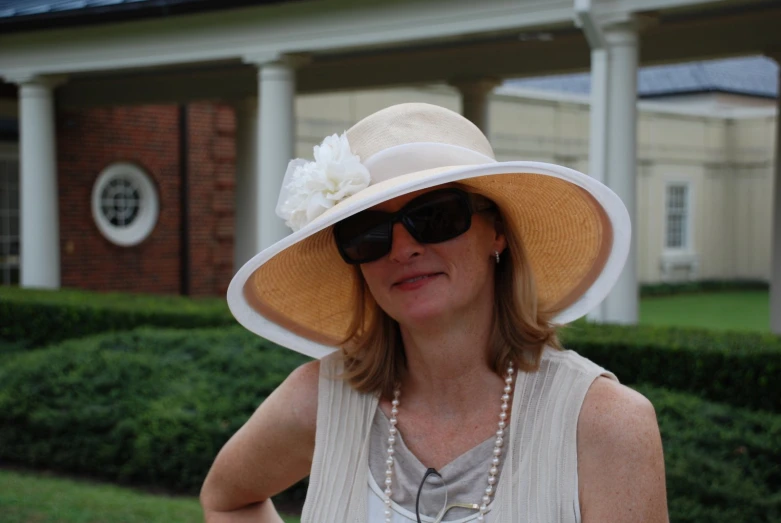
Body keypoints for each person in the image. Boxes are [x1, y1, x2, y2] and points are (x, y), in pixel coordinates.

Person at [200, 103, 668, 522]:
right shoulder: (318, 400)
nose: (403, 248)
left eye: (436, 216)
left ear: (497, 233)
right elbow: (226, 499)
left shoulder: (606, 424)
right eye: (369, 232)